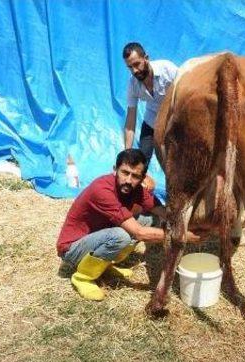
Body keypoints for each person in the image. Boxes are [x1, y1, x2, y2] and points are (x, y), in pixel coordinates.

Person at [56, 148, 201, 301]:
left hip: (96, 238)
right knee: (121, 236)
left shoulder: (136, 190)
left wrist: (191, 223)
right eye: (125, 172)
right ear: (115, 170)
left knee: (147, 219)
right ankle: (83, 277)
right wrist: (183, 236)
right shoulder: (102, 190)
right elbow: (139, 233)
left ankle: (103, 264)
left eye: (135, 176)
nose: (128, 180)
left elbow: (163, 212)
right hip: (71, 248)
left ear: (143, 178)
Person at [122, 42, 178, 163]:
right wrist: (126, 152)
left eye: (137, 64)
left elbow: (185, 95)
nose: (134, 71)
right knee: (141, 161)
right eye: (130, 67)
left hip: (174, 120)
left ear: (146, 58)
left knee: (177, 161)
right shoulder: (132, 84)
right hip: (152, 121)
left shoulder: (168, 70)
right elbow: (131, 120)